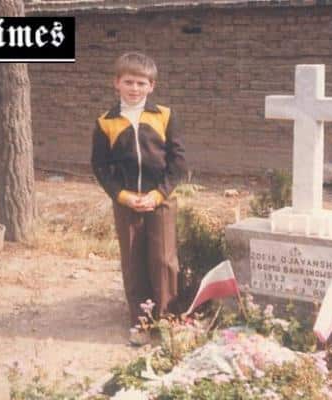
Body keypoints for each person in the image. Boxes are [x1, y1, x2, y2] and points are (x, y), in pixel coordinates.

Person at [90, 52, 187, 341]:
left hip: (161, 199)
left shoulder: (164, 116)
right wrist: (121, 195)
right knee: (133, 260)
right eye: (129, 82)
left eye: (141, 83)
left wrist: (160, 194)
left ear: (151, 86)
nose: (135, 88)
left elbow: (179, 162)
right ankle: (141, 321)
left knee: (163, 259)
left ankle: (167, 320)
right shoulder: (106, 122)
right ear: (116, 83)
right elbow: (100, 166)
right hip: (127, 202)